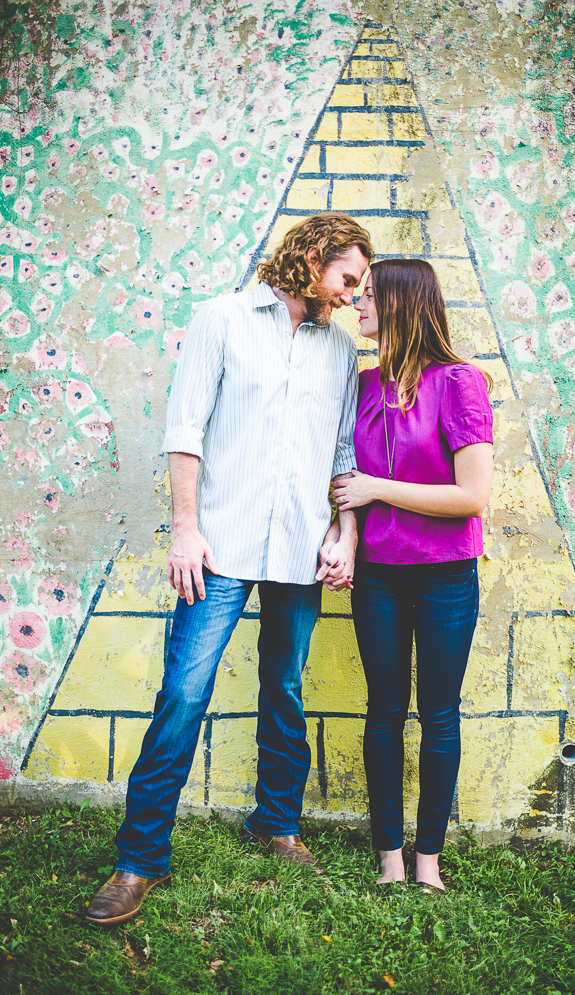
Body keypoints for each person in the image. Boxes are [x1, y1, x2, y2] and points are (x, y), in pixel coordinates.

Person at [85, 213, 373, 926]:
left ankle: (275, 822)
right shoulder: (221, 318)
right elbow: (184, 428)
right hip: (216, 546)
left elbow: (344, 454)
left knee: (284, 685)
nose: (353, 294)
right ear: (312, 257)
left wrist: (347, 535)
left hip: (301, 548)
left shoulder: (340, 351)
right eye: (348, 277)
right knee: (184, 690)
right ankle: (139, 857)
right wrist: (185, 530)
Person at [331, 258, 494, 892]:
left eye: (368, 296)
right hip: (379, 577)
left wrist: (378, 488)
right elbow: (342, 482)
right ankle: (390, 856)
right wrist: (342, 533)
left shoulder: (460, 384)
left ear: (400, 304)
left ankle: (429, 857)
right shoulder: (365, 386)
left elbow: (472, 496)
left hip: (447, 577)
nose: (356, 305)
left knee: (440, 716)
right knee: (384, 712)